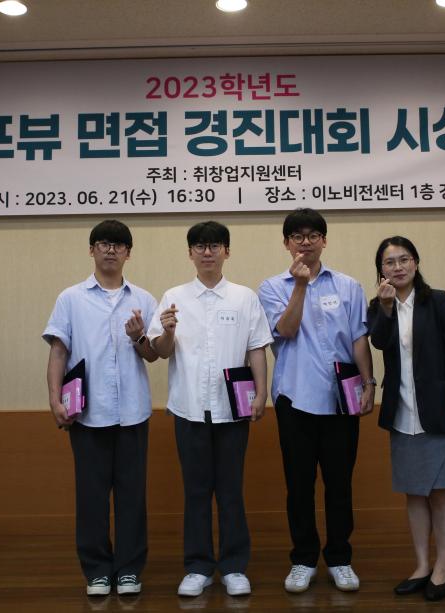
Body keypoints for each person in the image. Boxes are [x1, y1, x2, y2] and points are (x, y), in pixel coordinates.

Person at [147, 221, 273, 598]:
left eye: (215, 245)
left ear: (226, 252)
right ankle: (198, 567)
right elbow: (160, 352)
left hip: (232, 411)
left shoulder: (244, 297)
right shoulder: (174, 297)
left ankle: (234, 566)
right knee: (196, 492)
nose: (207, 252)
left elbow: (256, 348)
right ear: (190, 253)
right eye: (200, 246)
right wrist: (168, 331)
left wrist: (261, 394)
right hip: (189, 410)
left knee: (231, 491)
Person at [257, 208, 375, 594]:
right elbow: (286, 331)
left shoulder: (349, 286)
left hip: (341, 399)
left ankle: (340, 558)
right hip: (295, 398)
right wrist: (300, 285)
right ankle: (304, 559)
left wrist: (369, 383)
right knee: (299, 485)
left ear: (324, 240)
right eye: (297, 236)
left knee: (340, 484)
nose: (305, 242)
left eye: (312, 235)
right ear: (286, 243)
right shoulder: (271, 287)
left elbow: (358, 339)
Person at [43, 219, 160, 597]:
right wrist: (54, 398)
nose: (111, 250)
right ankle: (96, 570)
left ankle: (128, 570)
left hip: (132, 414)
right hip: (87, 414)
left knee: (132, 496)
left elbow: (153, 355)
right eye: (103, 243)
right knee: (91, 496)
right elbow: (58, 351)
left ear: (129, 253)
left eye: (118, 245)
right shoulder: (71, 298)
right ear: (91, 250)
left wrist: (138, 337)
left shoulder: (143, 299)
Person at [366, 235, 445, 602]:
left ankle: (442, 567)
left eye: (404, 259)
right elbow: (379, 343)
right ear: (381, 269)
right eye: (389, 262)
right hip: (403, 413)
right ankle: (422, 565)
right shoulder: (378, 305)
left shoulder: (437, 301)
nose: (398, 267)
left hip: (440, 411)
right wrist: (385, 308)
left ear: (416, 263)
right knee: (414, 493)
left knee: (440, 493)